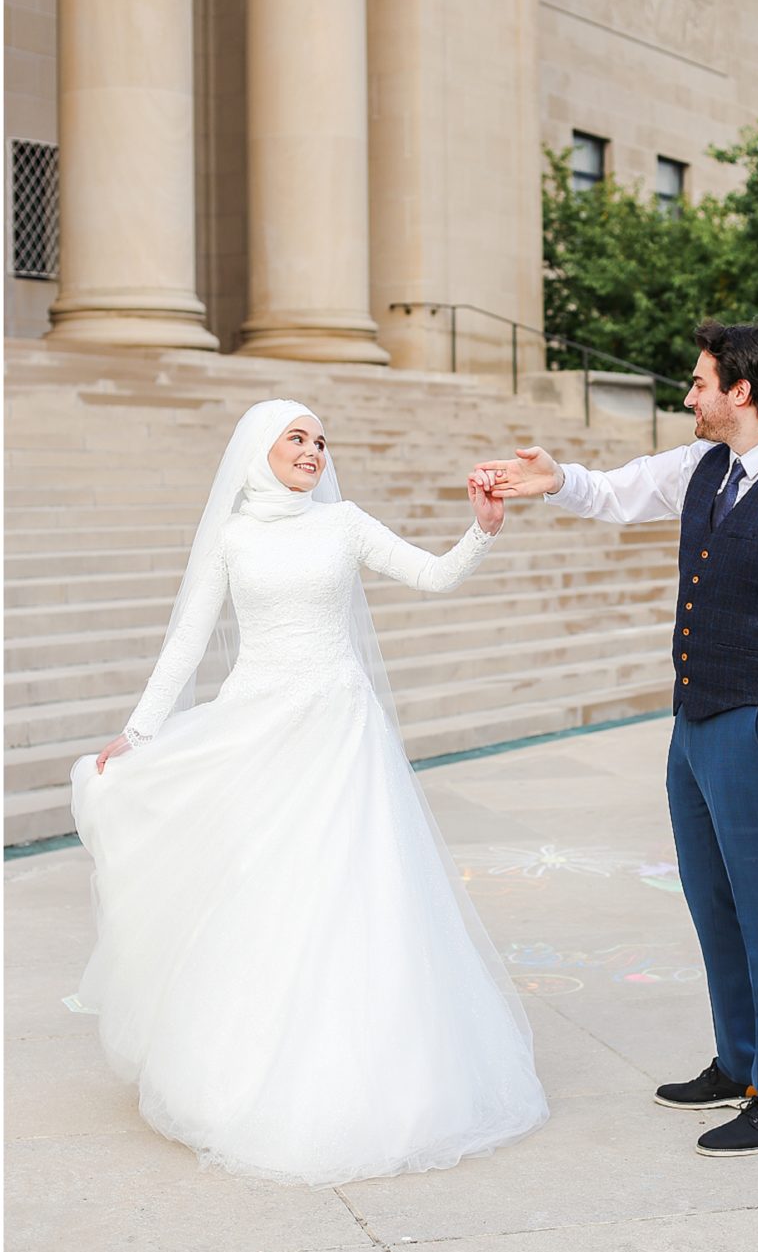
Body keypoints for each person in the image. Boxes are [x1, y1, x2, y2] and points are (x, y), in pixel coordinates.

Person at [71, 398, 548, 1187]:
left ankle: (367, 1079)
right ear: (259, 447)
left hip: (338, 732)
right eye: (296, 437)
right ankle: (235, 1075)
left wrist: (482, 529)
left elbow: (429, 577)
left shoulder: (343, 522)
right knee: (261, 896)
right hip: (256, 729)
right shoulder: (232, 537)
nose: (313, 451)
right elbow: (188, 639)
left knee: (349, 895)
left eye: (321, 441)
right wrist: (140, 733)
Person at [472, 321, 758, 1157]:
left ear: (740, 393)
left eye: (699, 384)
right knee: (711, 905)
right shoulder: (703, 465)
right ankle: (737, 1064)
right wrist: (554, 480)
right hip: (695, 723)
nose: (688, 397)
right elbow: (617, 490)